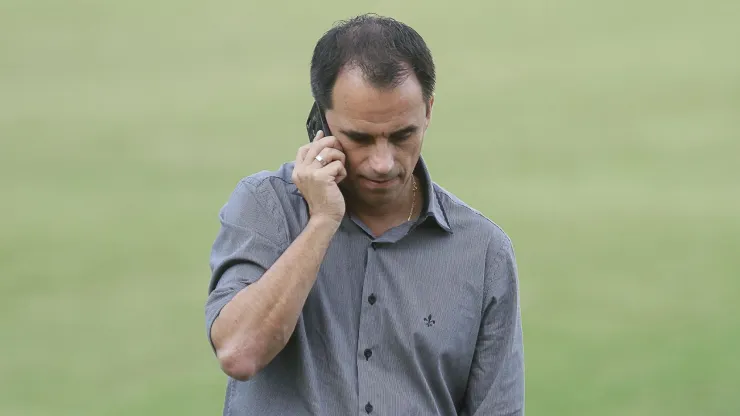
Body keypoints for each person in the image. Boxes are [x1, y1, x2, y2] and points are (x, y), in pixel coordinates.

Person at [205, 13, 525, 416]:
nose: (382, 162)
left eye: (402, 135)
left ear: (428, 111)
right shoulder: (265, 207)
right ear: (321, 120)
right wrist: (321, 222)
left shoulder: (484, 252)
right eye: (359, 137)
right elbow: (239, 353)